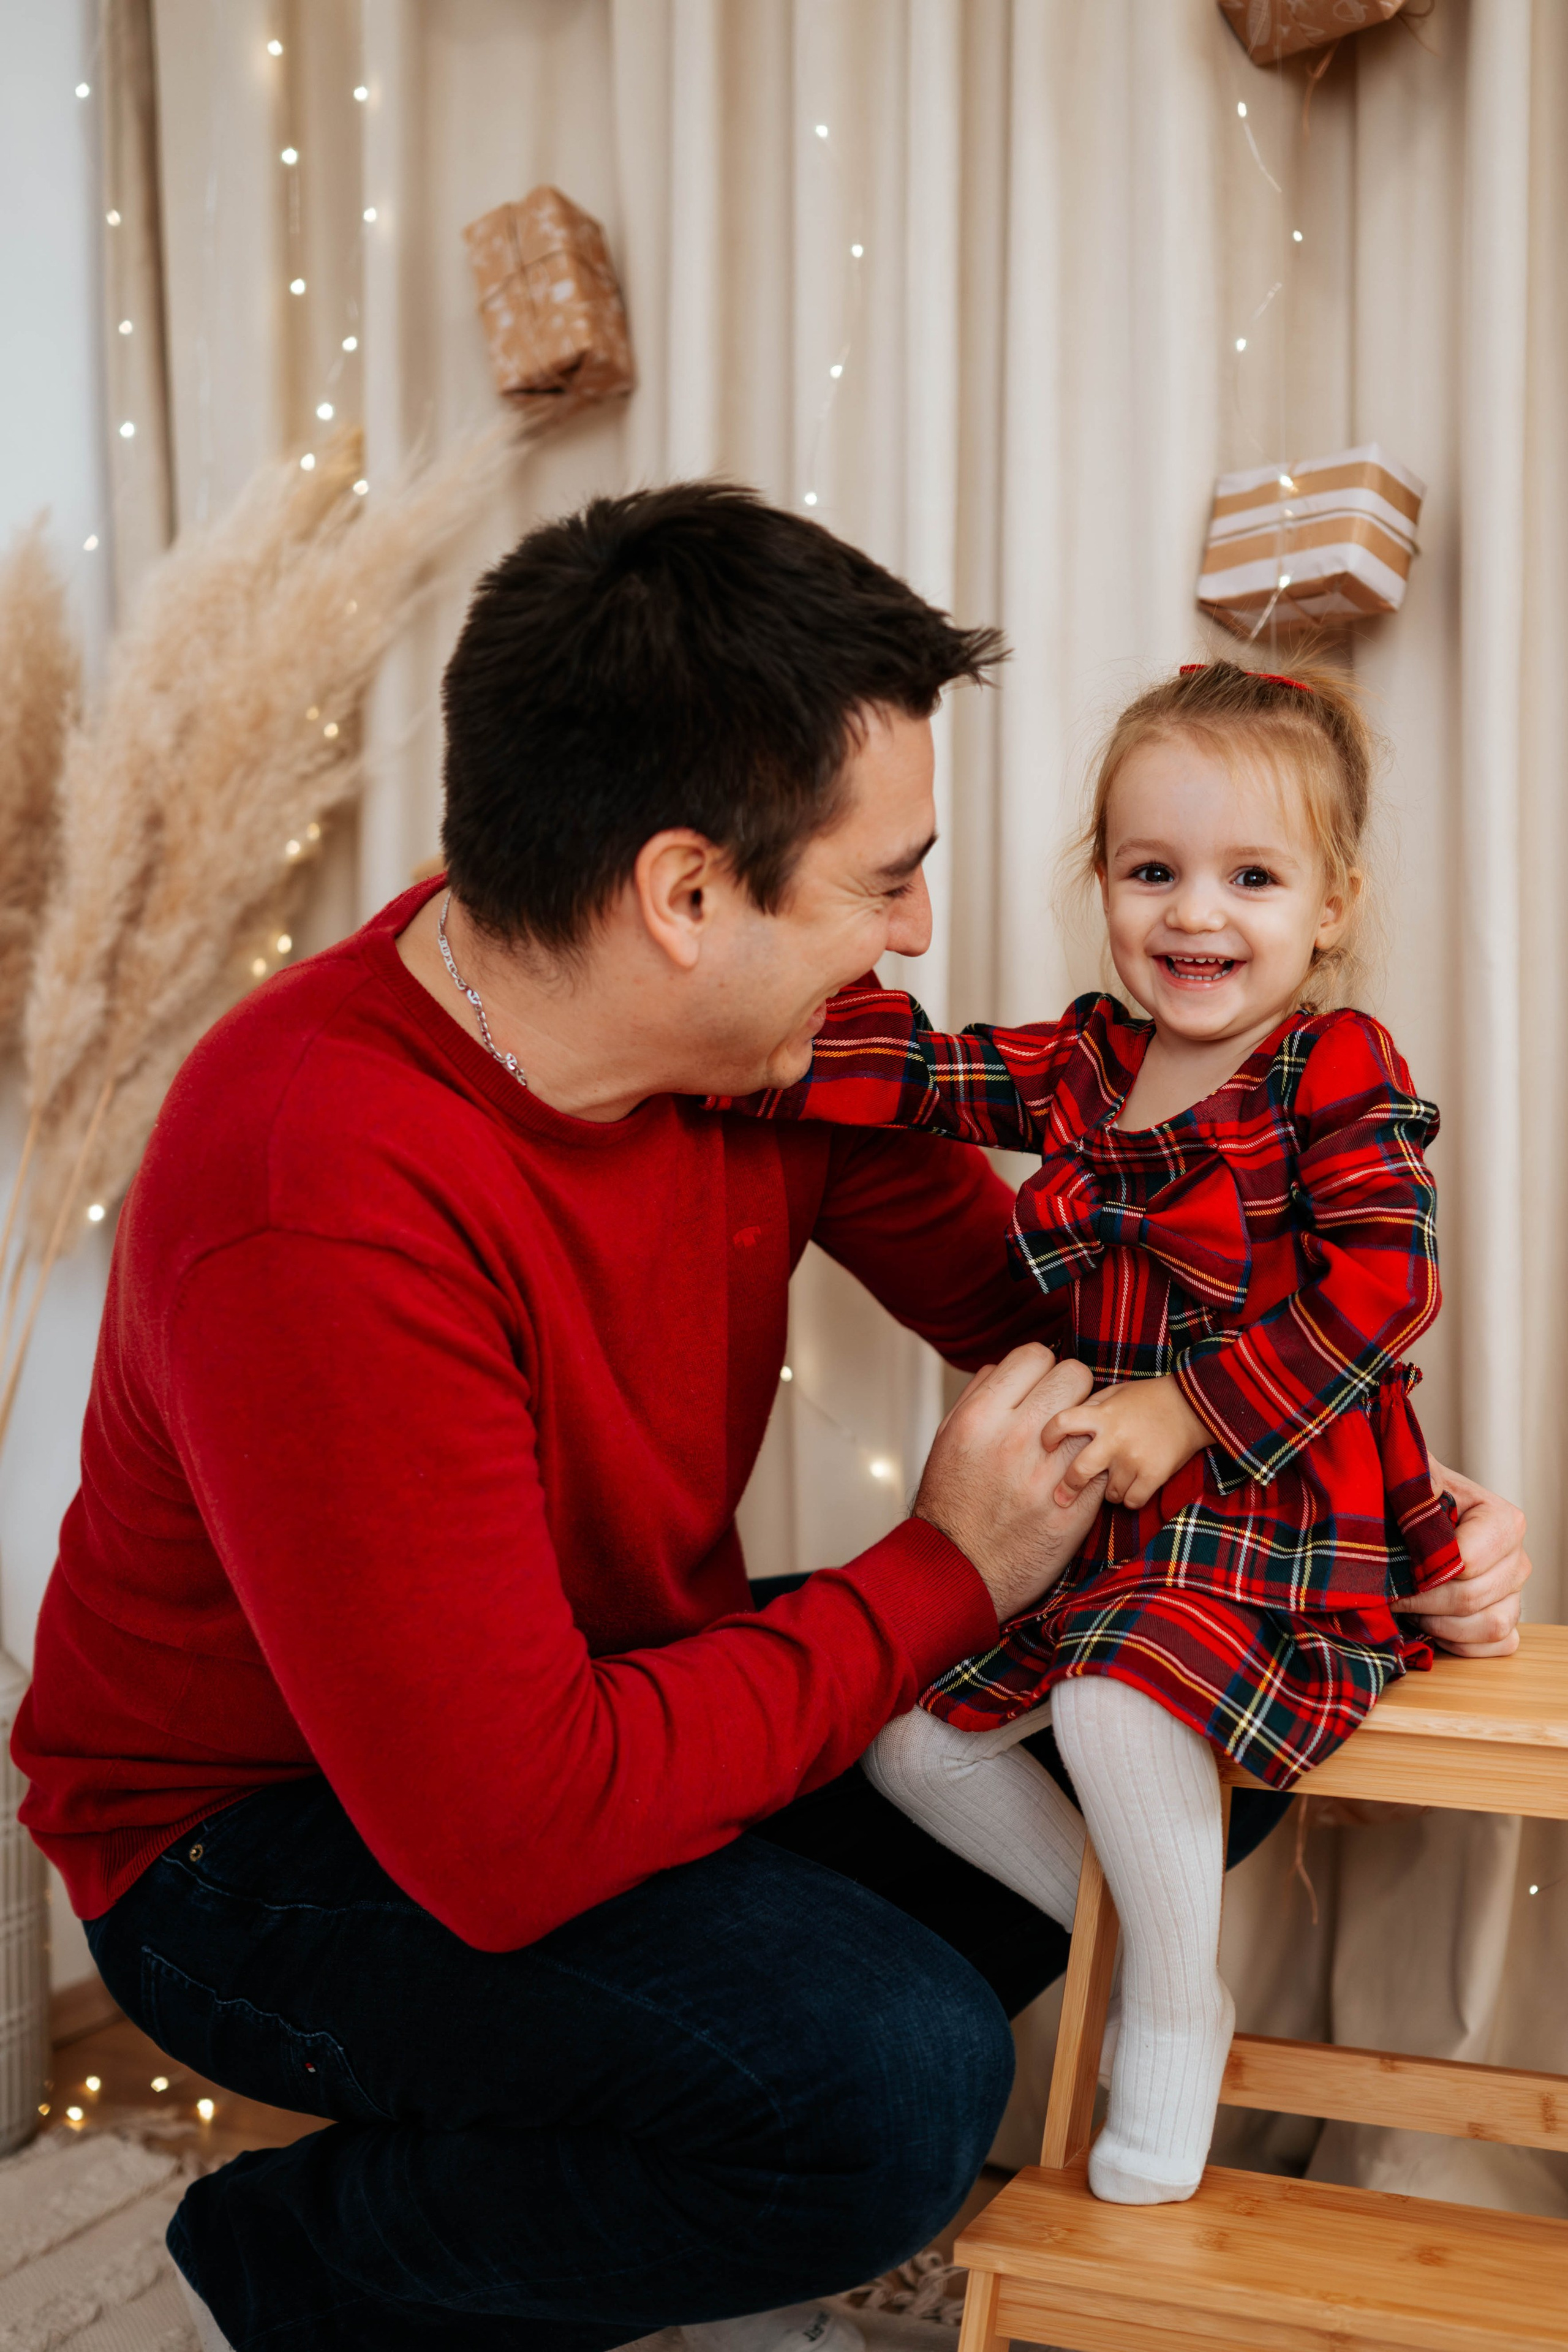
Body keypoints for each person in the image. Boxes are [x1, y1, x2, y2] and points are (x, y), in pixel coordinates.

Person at [10, 494, 1527, 2352]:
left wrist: (1369, 1493)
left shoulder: (771, 1061)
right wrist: (948, 1574)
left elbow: (1067, 1330)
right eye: (882, 875)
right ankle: (313, 2267)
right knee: (886, 2085)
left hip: (596, 1699)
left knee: (1209, 1697)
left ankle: (690, 2091)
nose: (915, 925)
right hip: (267, 1845)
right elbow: (505, 1824)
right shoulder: (313, 1187)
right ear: (684, 893)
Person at [723, 657, 1491, 2209]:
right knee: (913, 1737)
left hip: (1273, 1501)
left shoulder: (1333, 1069)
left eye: (1249, 877)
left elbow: (1387, 1291)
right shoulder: (1092, 1059)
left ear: (1327, 906)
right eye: (1153, 872)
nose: (1192, 915)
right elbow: (939, 1078)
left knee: (1114, 1701)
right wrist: (775, 1046)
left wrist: (1185, 1404)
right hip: (1124, 1521)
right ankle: (1154, 1965)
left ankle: (1158, 2019)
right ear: (1103, 883)